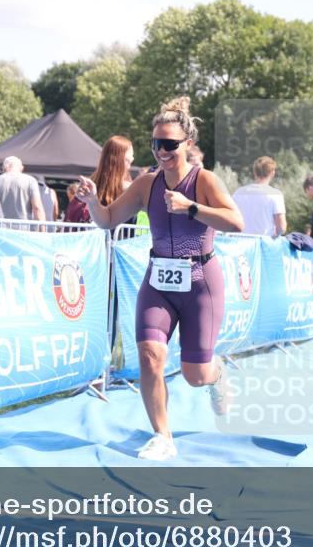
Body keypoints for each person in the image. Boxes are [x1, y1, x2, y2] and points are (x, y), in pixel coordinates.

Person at [74, 96, 244, 460]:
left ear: (188, 145)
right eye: (156, 144)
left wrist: (193, 208)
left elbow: (236, 221)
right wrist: (91, 203)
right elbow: (107, 220)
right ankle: (163, 436)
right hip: (160, 280)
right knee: (150, 355)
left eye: (169, 144)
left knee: (195, 373)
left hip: (201, 280)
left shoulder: (204, 181)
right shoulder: (146, 184)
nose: (162, 151)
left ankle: (216, 374)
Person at [232, 156, 286, 237]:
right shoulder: (276, 195)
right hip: (264, 244)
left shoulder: (238, 192)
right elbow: (281, 228)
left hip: (241, 243)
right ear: (272, 173)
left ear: (255, 172)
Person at [0, 156, 46, 223]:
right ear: (21, 168)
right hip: (22, 228)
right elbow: (37, 207)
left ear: (3, 168)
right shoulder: (30, 181)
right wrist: (42, 230)